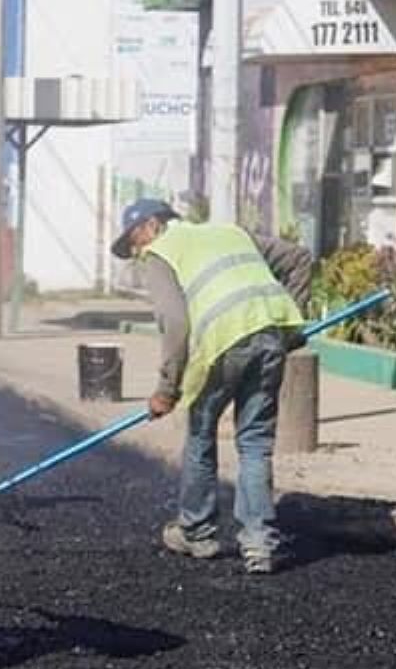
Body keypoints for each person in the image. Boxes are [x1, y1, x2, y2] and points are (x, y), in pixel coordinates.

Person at [111, 199, 315, 575]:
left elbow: (175, 323)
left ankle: (197, 532)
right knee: (255, 442)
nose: (137, 254)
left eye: (134, 243)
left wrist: (166, 389)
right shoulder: (229, 231)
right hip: (269, 333)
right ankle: (259, 545)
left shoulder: (160, 253)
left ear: (152, 226)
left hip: (222, 342)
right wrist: (292, 323)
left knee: (200, 433)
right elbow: (300, 258)